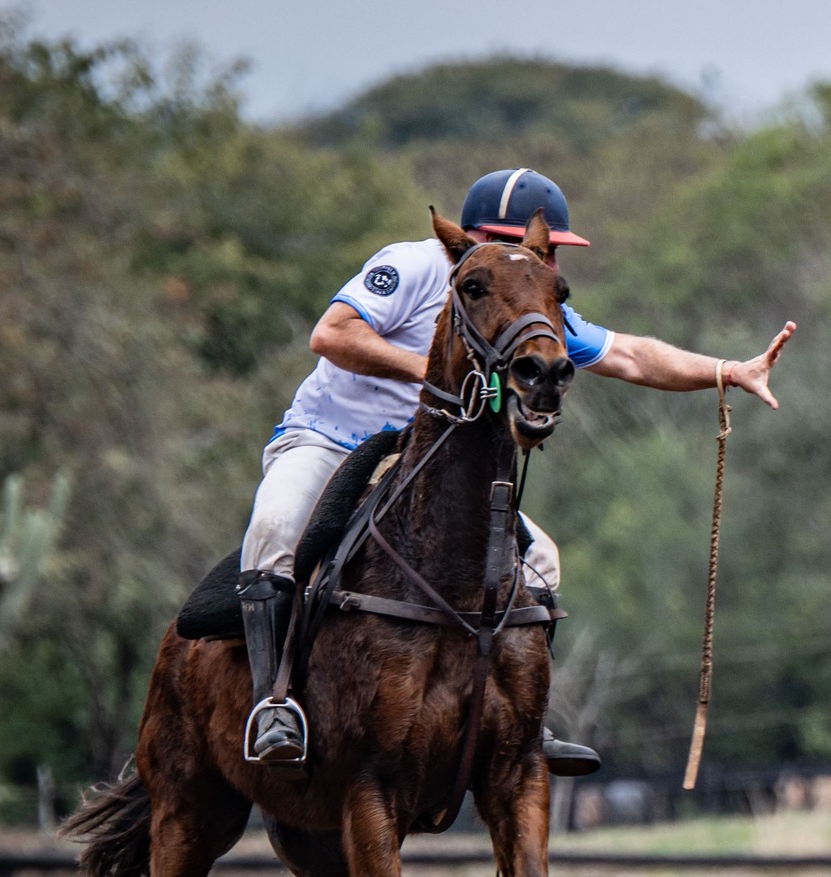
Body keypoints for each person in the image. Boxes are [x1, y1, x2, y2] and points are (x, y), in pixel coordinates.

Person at [239, 167, 796, 768]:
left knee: (542, 559)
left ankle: (523, 721)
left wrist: (728, 371)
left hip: (418, 460)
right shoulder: (413, 265)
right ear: (486, 239)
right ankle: (274, 706)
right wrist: (429, 369)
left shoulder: (525, 297)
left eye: (550, 251)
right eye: (545, 247)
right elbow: (332, 334)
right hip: (328, 441)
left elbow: (630, 356)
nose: (549, 261)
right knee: (274, 529)